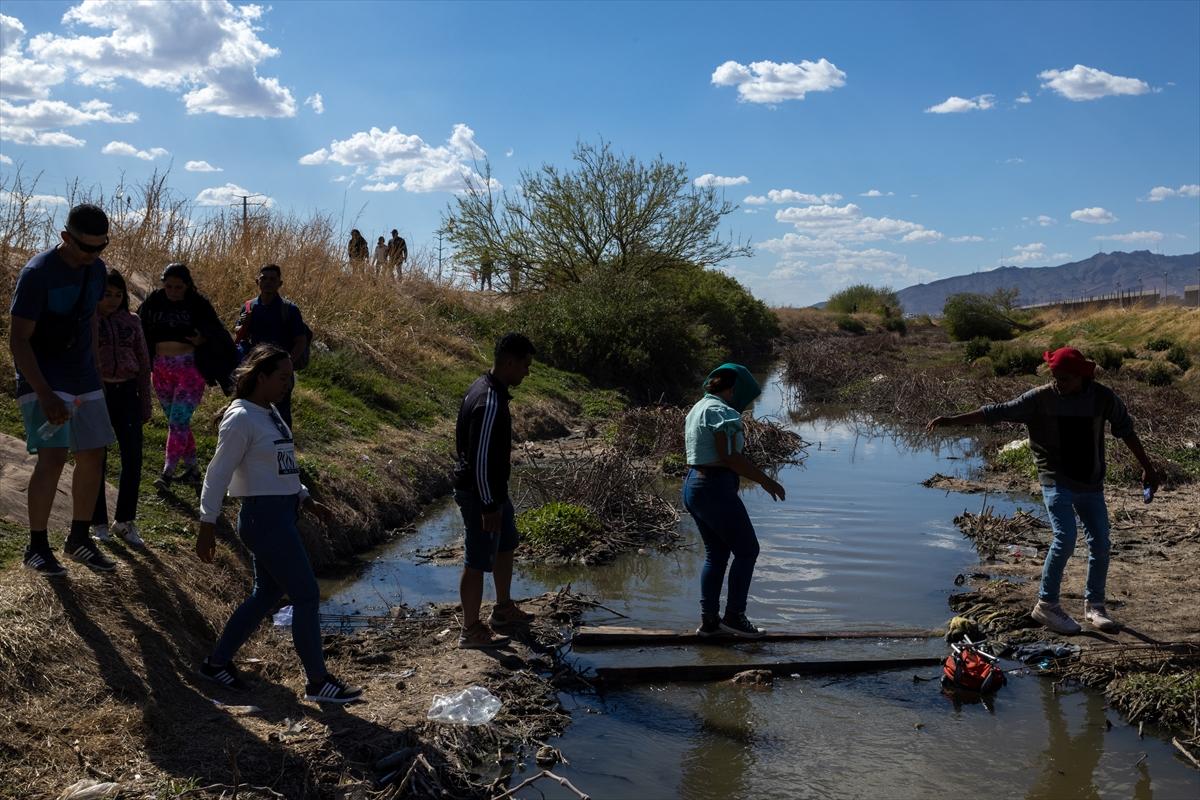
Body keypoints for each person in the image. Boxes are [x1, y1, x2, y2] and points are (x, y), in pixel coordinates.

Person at [926, 346, 1160, 635]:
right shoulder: (1039, 399)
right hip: (1055, 480)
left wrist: (1148, 468)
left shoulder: (1102, 398)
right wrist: (952, 420)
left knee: (1100, 542)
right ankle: (1047, 605)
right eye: (1055, 377)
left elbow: (1126, 430)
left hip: (1090, 483)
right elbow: (997, 412)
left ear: (1081, 376)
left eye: (1065, 379)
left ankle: (1095, 607)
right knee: (1066, 537)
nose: (1058, 383)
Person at [196, 345, 363, 704]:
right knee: (306, 594)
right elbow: (217, 472)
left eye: (291, 377)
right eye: (283, 377)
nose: (289, 384)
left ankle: (216, 663)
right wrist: (207, 522)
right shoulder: (241, 417)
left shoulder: (269, 412)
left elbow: (281, 466)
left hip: (282, 513)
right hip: (264, 519)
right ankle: (318, 682)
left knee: (267, 594)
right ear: (262, 377)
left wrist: (305, 498)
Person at [9, 203, 117, 574]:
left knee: (93, 453)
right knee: (53, 457)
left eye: (101, 247)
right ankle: (36, 547)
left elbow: (89, 321)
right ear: (65, 237)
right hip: (44, 376)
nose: (93, 255)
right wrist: (44, 393)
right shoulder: (37, 274)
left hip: (83, 376)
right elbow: (18, 339)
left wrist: (96, 371)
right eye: (86, 247)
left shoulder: (97, 270)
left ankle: (79, 539)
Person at [683, 364, 786, 638]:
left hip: (694, 484)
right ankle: (734, 617)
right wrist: (766, 481)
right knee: (748, 550)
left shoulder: (698, 408)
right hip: (714, 487)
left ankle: (710, 623)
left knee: (716, 554)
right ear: (734, 389)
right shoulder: (721, 411)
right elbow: (730, 456)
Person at [452, 332, 537, 649]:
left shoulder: (489, 390)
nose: (527, 372)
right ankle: (470, 630)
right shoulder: (488, 401)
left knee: (506, 544)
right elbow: (479, 459)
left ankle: (502, 609)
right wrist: (488, 505)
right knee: (476, 560)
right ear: (510, 362)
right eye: (525, 365)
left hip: (493, 492)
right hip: (480, 494)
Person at [138, 263, 237, 490]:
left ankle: (167, 473)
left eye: (178, 287)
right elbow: (139, 326)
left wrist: (204, 339)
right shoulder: (154, 301)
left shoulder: (198, 304)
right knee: (178, 422)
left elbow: (218, 332)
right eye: (169, 286)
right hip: (160, 369)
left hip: (190, 369)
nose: (173, 291)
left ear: (187, 286)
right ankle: (192, 469)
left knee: (178, 421)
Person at [91, 268, 152, 547]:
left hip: (128, 393)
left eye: (118, 294)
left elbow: (144, 362)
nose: (113, 300)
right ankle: (98, 522)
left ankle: (125, 521)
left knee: (133, 458)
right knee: (96, 459)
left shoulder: (132, 321)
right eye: (107, 294)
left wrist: (145, 402)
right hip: (98, 394)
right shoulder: (88, 320)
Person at [232, 264, 311, 429]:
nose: (268, 282)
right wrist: (242, 326)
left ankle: (284, 444)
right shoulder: (249, 307)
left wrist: (287, 365)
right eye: (264, 278)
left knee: (280, 415)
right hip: (255, 369)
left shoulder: (289, 309)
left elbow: (301, 341)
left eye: (272, 279)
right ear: (257, 281)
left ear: (279, 283)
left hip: (279, 372)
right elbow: (240, 335)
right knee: (248, 408)